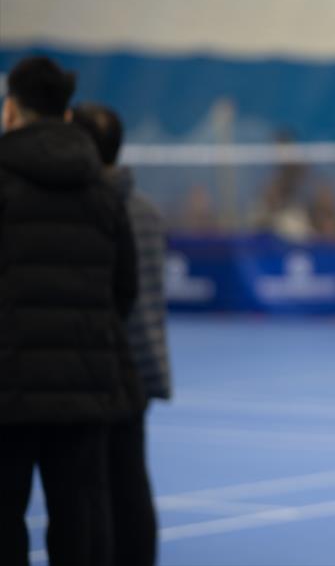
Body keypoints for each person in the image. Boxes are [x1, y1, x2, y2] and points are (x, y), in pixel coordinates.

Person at [0, 57, 142, 566]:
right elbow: (125, 288)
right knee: (80, 525)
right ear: (64, 114)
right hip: (85, 388)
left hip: (8, 387)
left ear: (11, 110)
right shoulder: (102, 190)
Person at [71, 102, 171, 566]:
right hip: (144, 363)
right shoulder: (147, 209)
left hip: (107, 368)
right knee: (131, 481)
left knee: (94, 489)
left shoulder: (92, 210)